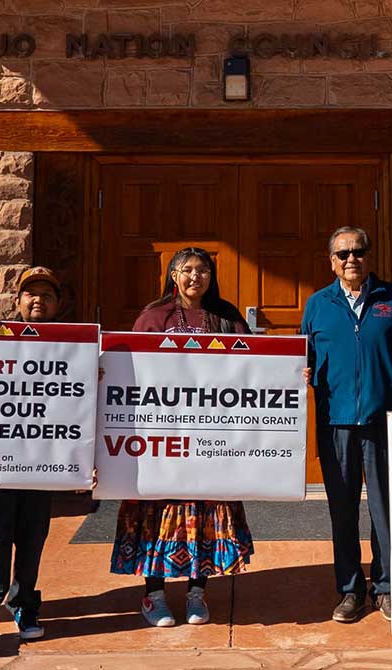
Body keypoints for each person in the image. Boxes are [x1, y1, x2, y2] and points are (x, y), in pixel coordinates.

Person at [110, 247, 254, 628]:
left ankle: (196, 593)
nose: (195, 277)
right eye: (186, 270)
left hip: (210, 439)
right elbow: (130, 371)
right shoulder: (153, 317)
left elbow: (256, 367)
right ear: (173, 275)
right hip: (163, 439)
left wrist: (291, 378)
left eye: (203, 270)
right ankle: (153, 594)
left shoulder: (227, 318)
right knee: (157, 513)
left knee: (204, 513)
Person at [301, 226, 392, 623]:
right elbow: (304, 357)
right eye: (343, 253)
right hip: (335, 424)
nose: (351, 258)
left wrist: (389, 388)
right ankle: (350, 590)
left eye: (358, 251)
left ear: (369, 256)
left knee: (385, 509)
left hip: (381, 419)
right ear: (331, 261)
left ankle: (385, 587)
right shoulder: (317, 305)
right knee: (342, 510)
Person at [0, 267, 64, 646]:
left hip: (43, 462)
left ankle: (24, 603)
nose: (38, 300)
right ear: (17, 302)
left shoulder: (70, 345)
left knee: (33, 536)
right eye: (31, 294)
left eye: (47, 295)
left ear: (58, 304)